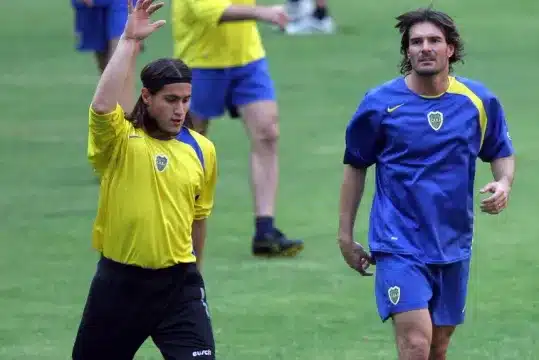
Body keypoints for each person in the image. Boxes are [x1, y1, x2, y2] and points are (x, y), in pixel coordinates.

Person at [337, 7, 515, 360]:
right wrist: (345, 236)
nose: (425, 48)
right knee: (415, 344)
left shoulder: (477, 101)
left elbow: (500, 150)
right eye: (416, 42)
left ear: (451, 49)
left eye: (434, 40)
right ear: (407, 51)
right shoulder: (379, 105)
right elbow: (355, 166)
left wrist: (504, 182)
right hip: (397, 240)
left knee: (438, 345)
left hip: (452, 241)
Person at [72, 1, 218, 359]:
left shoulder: (202, 149)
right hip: (120, 286)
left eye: (185, 100)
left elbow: (198, 220)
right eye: (170, 100)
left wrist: (194, 278)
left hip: (179, 286)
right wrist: (128, 41)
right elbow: (103, 107)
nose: (180, 109)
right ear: (147, 97)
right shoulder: (121, 143)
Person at [171, 0, 304, 257]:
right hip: (200, 60)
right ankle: (177, 228)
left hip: (247, 57)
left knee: (267, 132)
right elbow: (208, 11)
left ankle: (265, 230)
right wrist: (263, 13)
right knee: (189, 145)